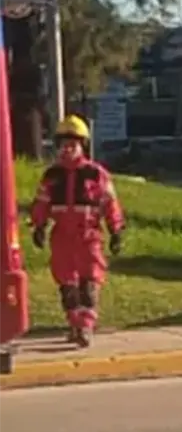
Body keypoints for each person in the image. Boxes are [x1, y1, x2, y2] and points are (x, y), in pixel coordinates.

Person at [29, 115, 125, 347]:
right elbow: (42, 202)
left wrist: (116, 230)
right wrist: (39, 226)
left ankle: (85, 326)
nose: (68, 149)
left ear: (82, 146)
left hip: (88, 236)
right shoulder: (52, 175)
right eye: (64, 144)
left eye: (73, 144)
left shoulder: (96, 174)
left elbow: (110, 202)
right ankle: (74, 323)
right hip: (62, 236)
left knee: (89, 284)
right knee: (67, 286)